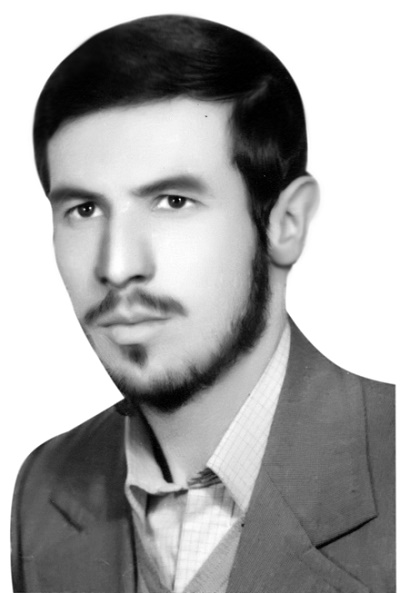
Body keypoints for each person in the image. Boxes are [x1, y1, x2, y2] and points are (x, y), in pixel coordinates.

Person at [11, 14, 394, 593]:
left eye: (172, 200)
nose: (117, 265)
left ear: (286, 223)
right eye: (83, 210)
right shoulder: (43, 487)